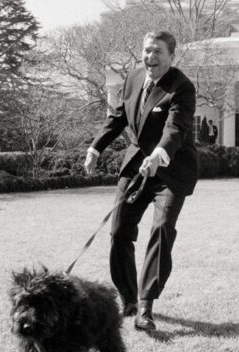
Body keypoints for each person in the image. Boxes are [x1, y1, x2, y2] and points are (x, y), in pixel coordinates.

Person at [84, 31, 198, 331]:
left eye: (158, 52)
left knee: (161, 230)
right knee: (119, 230)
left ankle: (146, 306)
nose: (151, 57)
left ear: (171, 56)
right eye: (147, 51)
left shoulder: (182, 87)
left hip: (170, 172)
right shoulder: (134, 79)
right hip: (136, 168)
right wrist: (96, 147)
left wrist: (159, 155)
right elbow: (119, 117)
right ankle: (129, 298)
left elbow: (176, 129)